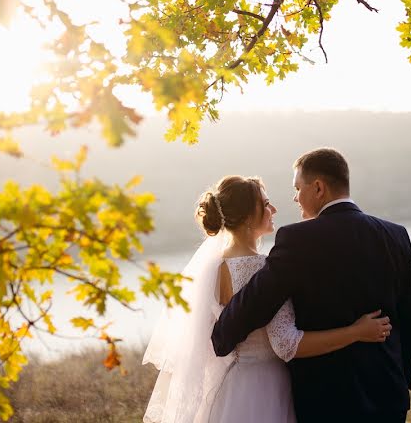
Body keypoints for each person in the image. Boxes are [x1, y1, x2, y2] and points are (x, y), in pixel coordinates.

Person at [143, 175, 391, 423]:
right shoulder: (262, 268)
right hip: (266, 387)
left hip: (230, 386)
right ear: (249, 216)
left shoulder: (213, 267)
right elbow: (286, 343)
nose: (274, 209)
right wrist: (356, 331)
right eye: (266, 203)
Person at [212, 149, 411, 423]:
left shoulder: (298, 240)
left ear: (319, 188)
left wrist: (222, 335)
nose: (295, 197)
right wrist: (401, 382)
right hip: (389, 397)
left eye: (298, 188)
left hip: (326, 401)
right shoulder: (396, 235)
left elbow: (257, 301)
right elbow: (409, 319)